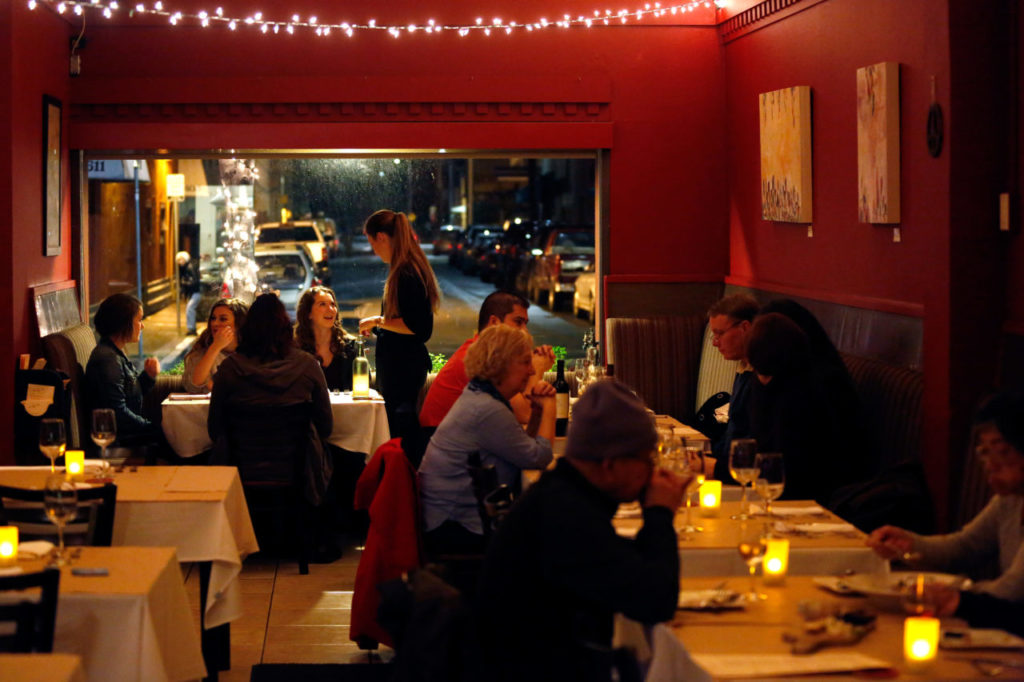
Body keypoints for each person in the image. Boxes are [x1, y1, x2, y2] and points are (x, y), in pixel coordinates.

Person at [477, 379, 688, 681]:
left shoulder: (563, 496)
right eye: (645, 460)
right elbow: (655, 600)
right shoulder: (565, 515)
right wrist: (659, 513)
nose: (652, 471)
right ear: (609, 464)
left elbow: (630, 568)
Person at [866, 391, 1024, 601]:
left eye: (1002, 451)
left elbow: (1013, 591)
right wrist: (908, 544)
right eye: (985, 452)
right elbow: (963, 547)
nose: (990, 465)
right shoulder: (1010, 500)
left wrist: (951, 594)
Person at [418, 325, 555, 556]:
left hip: (447, 520)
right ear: (501, 364)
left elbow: (524, 449)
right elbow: (539, 458)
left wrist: (538, 413)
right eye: (525, 362)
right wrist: (550, 406)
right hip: (456, 531)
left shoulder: (480, 395)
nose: (532, 371)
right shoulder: (488, 409)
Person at [208, 293, 333, 507]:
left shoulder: (230, 369)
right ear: (286, 327)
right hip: (297, 476)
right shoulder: (307, 366)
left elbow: (214, 428)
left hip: (241, 474)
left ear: (246, 329)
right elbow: (326, 426)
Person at [745, 313, 857, 503]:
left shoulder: (803, 394)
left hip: (809, 499)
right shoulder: (775, 381)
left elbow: (782, 466)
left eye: (763, 373)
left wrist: (718, 468)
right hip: (777, 492)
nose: (760, 379)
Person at [358, 209, 440, 442]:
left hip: (402, 370)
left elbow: (418, 327)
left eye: (372, 242)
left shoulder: (406, 273)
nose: (373, 249)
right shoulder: (407, 267)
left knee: (399, 432)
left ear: (382, 237)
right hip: (402, 368)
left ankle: (403, 476)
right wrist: (379, 327)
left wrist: (377, 321)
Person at [419, 290, 555, 428]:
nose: (525, 331)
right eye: (518, 322)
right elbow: (524, 415)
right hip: (437, 443)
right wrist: (536, 370)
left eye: (525, 324)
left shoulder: (486, 352)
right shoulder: (480, 360)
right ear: (494, 322)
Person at [85, 293, 162, 445]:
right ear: (124, 323)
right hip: (119, 440)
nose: (142, 325)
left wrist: (148, 377)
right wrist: (152, 427)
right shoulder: (108, 359)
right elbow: (117, 413)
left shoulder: (114, 352)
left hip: (127, 434)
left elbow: (129, 395)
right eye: (139, 320)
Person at [706, 293, 759, 481]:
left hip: (742, 479)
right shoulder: (743, 368)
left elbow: (753, 448)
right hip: (728, 471)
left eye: (720, 333)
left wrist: (712, 468)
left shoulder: (763, 377)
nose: (714, 342)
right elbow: (732, 435)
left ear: (745, 327)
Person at [295, 286, 357, 392]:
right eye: (322, 304)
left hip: (346, 408)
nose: (331, 310)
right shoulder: (296, 349)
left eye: (333, 304)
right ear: (308, 313)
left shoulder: (351, 346)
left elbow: (364, 385)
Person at [181, 297, 248, 393]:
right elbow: (195, 384)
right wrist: (215, 347)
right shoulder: (200, 354)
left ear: (239, 324)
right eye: (213, 318)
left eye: (223, 319)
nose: (215, 323)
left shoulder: (251, 353)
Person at [176, 251, 201, 335]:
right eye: (178, 260)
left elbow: (194, 280)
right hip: (193, 292)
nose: (179, 262)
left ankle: (191, 328)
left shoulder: (189, 267)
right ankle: (191, 328)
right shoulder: (185, 267)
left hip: (195, 291)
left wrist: (184, 283)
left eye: (181, 260)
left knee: (190, 308)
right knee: (190, 308)